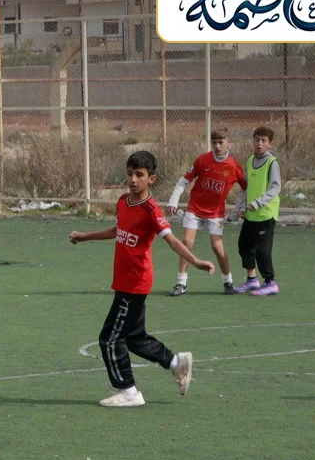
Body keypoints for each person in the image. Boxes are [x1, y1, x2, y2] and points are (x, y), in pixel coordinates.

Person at [70, 151, 215, 408]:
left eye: (139, 175)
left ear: (151, 179)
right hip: (123, 280)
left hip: (135, 282)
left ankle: (129, 391)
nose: (133, 180)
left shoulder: (151, 210)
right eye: (130, 174)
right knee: (134, 337)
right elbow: (119, 230)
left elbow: (171, 240)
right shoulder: (123, 202)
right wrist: (85, 236)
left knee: (110, 338)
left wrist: (195, 261)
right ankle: (176, 362)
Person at [164, 127, 246, 296]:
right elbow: (183, 181)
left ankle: (228, 282)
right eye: (214, 142)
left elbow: (246, 188)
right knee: (186, 243)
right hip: (195, 208)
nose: (217, 146)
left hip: (215, 213)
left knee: (217, 247)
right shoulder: (203, 160)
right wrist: (173, 200)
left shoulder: (234, 166)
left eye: (221, 142)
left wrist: (240, 208)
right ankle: (181, 283)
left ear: (228, 143)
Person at [233, 126, 283, 296]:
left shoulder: (272, 163)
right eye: (257, 140)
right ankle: (252, 280)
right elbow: (248, 187)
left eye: (264, 141)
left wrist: (258, 202)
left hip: (266, 213)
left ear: (270, 144)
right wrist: (242, 207)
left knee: (262, 250)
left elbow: (275, 188)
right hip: (251, 214)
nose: (260, 143)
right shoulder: (250, 160)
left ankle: (270, 283)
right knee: (244, 245)